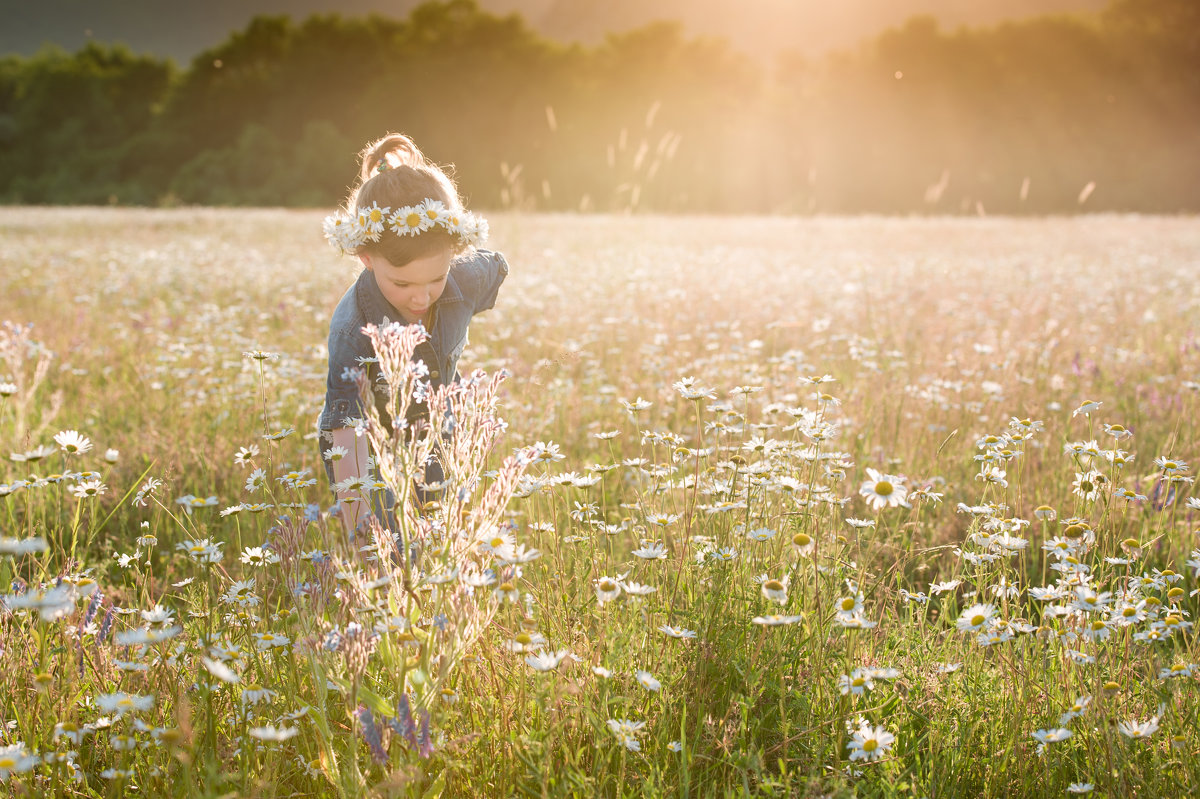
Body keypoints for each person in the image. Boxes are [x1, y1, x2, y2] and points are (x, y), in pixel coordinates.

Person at [317, 133, 509, 535]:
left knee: (442, 542)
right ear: (365, 257)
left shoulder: (468, 277)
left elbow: (496, 265)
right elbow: (345, 427)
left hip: (443, 433)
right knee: (393, 548)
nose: (421, 297)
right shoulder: (354, 329)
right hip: (374, 453)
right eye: (402, 284)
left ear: (456, 253)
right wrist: (360, 526)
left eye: (436, 278)